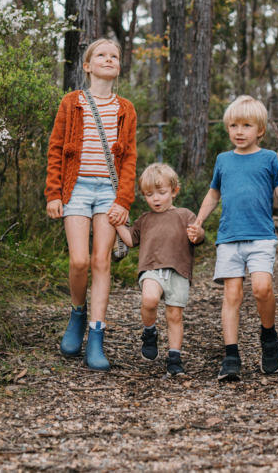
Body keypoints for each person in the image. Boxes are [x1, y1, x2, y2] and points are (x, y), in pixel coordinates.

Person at [45, 39, 137, 371]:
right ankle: (77, 314)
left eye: (114, 56)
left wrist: (124, 199)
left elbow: (129, 160)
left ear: (118, 67)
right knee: (80, 260)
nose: (109, 59)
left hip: (109, 193)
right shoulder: (72, 102)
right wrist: (53, 193)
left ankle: (96, 337)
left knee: (102, 261)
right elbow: (56, 148)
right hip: (76, 189)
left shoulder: (125, 108)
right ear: (87, 66)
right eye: (101, 55)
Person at [188, 96, 278, 381]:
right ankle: (231, 355)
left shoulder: (269, 158)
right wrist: (198, 222)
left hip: (260, 236)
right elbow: (213, 194)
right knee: (231, 295)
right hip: (229, 236)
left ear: (260, 130)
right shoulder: (224, 160)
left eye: (246, 125)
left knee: (261, 289)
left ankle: (269, 337)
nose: (239, 131)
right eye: (233, 125)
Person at [114, 163, 205, 376]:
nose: (155, 199)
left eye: (161, 193)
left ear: (174, 191)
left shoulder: (185, 215)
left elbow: (199, 238)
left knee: (174, 315)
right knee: (150, 300)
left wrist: (197, 234)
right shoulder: (144, 220)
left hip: (178, 271)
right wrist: (117, 223)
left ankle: (174, 356)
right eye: (149, 194)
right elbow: (129, 239)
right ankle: (149, 331)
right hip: (151, 269)